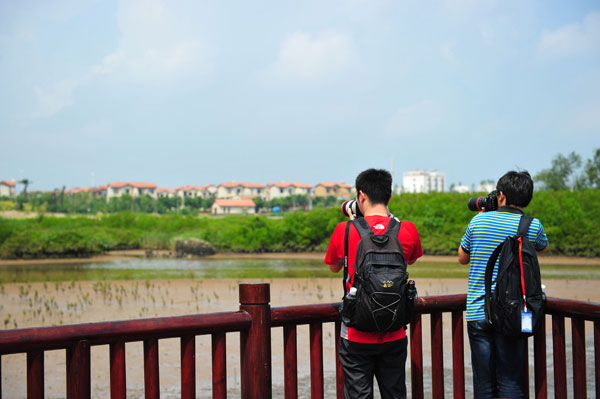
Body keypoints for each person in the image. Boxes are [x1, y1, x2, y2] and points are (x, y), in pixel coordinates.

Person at [325, 168, 423, 399]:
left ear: (361, 196)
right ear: (389, 197)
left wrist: (355, 224)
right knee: (395, 393)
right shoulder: (406, 229)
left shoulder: (345, 230)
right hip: (395, 330)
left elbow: (334, 266)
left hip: (356, 333)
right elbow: (410, 260)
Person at [458, 170, 549, 398]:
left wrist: (488, 215)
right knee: (511, 382)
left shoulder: (477, 220)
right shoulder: (532, 225)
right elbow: (543, 247)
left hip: (479, 312)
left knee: (484, 385)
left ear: (500, 195)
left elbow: (462, 257)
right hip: (514, 312)